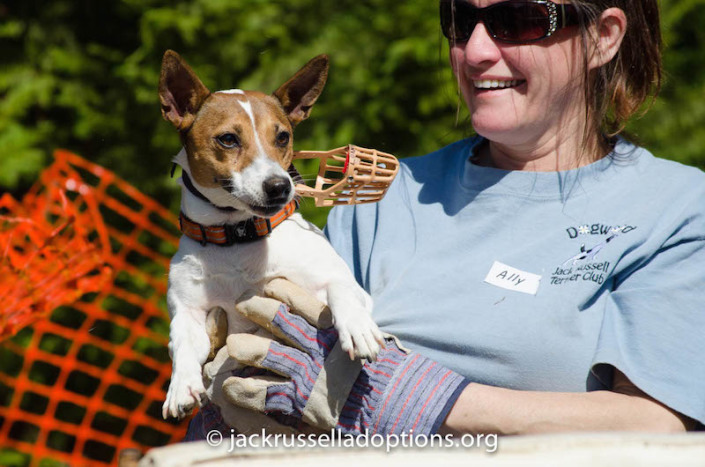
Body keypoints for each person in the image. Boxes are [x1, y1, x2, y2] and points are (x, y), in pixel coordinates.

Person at [185, 0, 705, 439]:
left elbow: (661, 425)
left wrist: (419, 401)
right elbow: (272, 369)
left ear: (604, 38)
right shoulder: (382, 195)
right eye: (460, 20)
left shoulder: (674, 209)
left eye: (516, 19)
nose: (475, 51)